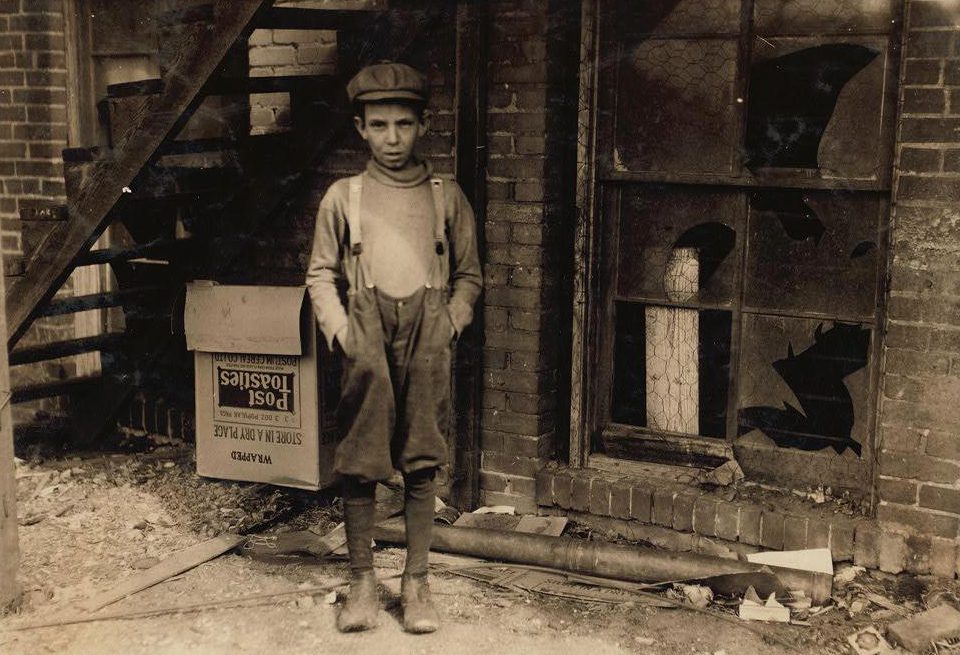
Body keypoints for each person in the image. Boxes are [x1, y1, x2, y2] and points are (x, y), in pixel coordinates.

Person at [305, 62, 482, 634]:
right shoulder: (344, 197)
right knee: (360, 457)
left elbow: (470, 277)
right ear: (359, 128)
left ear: (423, 124)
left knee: (422, 459)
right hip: (367, 334)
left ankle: (417, 583)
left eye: (404, 124)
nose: (392, 138)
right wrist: (342, 332)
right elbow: (319, 275)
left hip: (427, 333)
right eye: (378, 125)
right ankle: (360, 582)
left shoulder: (445, 196)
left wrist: (451, 323)